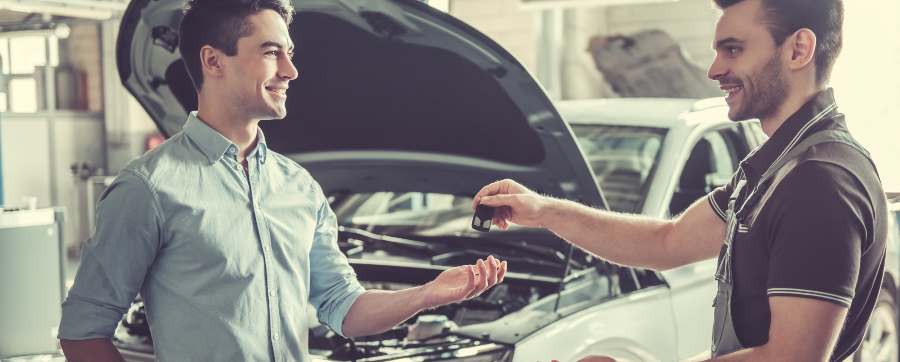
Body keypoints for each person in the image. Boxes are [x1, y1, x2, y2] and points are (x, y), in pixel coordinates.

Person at [57, 1, 507, 361]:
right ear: (213, 61)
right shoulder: (149, 189)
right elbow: (82, 332)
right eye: (272, 52)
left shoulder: (299, 188)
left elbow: (343, 307)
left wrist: (426, 295)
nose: (291, 71)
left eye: (289, 54)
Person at [474, 0, 887, 360]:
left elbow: (790, 358)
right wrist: (545, 210)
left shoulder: (818, 180)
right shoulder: (775, 168)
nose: (714, 69)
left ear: (798, 49)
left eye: (733, 49)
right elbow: (666, 241)